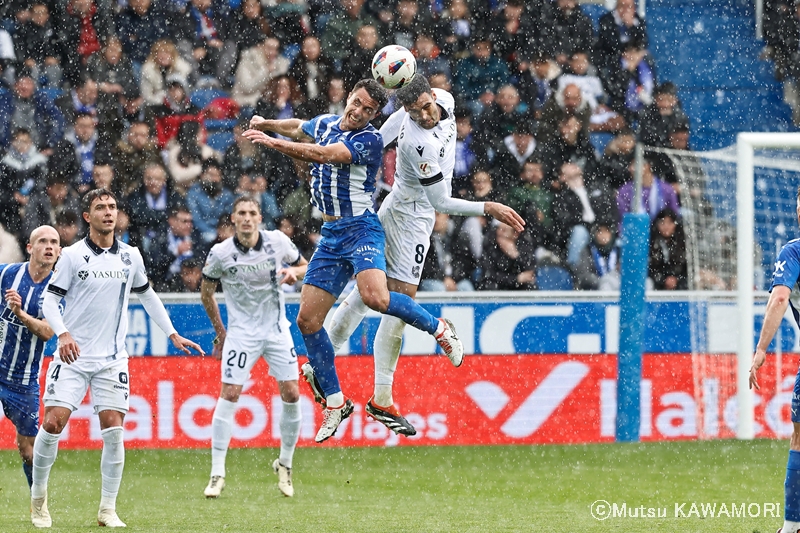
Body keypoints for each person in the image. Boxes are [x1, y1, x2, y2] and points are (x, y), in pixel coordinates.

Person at [243, 78, 465, 443]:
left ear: (375, 116)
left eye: (368, 110)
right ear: (348, 98)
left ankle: (438, 329)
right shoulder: (328, 123)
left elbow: (323, 154)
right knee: (307, 320)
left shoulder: (369, 140)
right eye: (357, 103)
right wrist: (267, 123)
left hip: (362, 229)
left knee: (376, 297)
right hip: (331, 236)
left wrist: (272, 144)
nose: (359, 111)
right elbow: (300, 127)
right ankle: (335, 402)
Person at [322, 75, 524, 436]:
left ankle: (329, 359)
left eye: (427, 107)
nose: (425, 116)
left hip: (404, 209)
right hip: (411, 215)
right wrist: (487, 206)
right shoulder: (417, 144)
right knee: (395, 303)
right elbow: (440, 201)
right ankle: (381, 397)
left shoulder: (445, 98)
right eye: (415, 112)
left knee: (374, 295)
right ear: (407, 110)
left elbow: (381, 135)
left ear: (435, 96)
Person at [31, 188, 203, 528]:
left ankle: (108, 509)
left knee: (113, 431)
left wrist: (171, 333)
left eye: (112, 206)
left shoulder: (130, 256)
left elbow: (147, 295)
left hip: (112, 359)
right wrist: (63, 334)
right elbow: (50, 302)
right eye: (100, 207)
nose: (108, 212)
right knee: (52, 424)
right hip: (73, 356)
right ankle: (39, 501)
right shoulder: (73, 256)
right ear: (87, 216)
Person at [200, 196, 308, 499]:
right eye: (241, 213)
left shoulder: (277, 242)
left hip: (276, 330)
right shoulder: (220, 253)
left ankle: (285, 464)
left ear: (260, 218)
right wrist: (221, 332)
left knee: (291, 392)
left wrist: (293, 273)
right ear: (233, 219)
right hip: (241, 334)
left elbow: (305, 267)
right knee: (230, 393)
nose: (247, 218)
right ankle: (217, 472)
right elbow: (206, 294)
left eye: (252, 213)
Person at [749, 187, 800, 533]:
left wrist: (761, 350)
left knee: (799, 440)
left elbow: (780, 297)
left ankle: (792, 524)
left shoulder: (794, 251)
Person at [0, 226, 60, 491]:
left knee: (28, 450)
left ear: (59, 251)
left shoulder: (57, 289)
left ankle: (38, 500)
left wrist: (20, 313)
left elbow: (47, 332)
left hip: (23, 380)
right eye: (43, 241)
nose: (49, 246)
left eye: (54, 243)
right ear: (29, 247)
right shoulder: (6, 273)